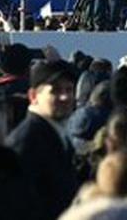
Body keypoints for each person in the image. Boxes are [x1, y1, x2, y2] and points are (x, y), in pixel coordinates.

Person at [7, 60, 79, 220]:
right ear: (33, 96)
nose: (65, 96)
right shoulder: (26, 141)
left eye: (69, 89)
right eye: (55, 91)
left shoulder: (55, 134)